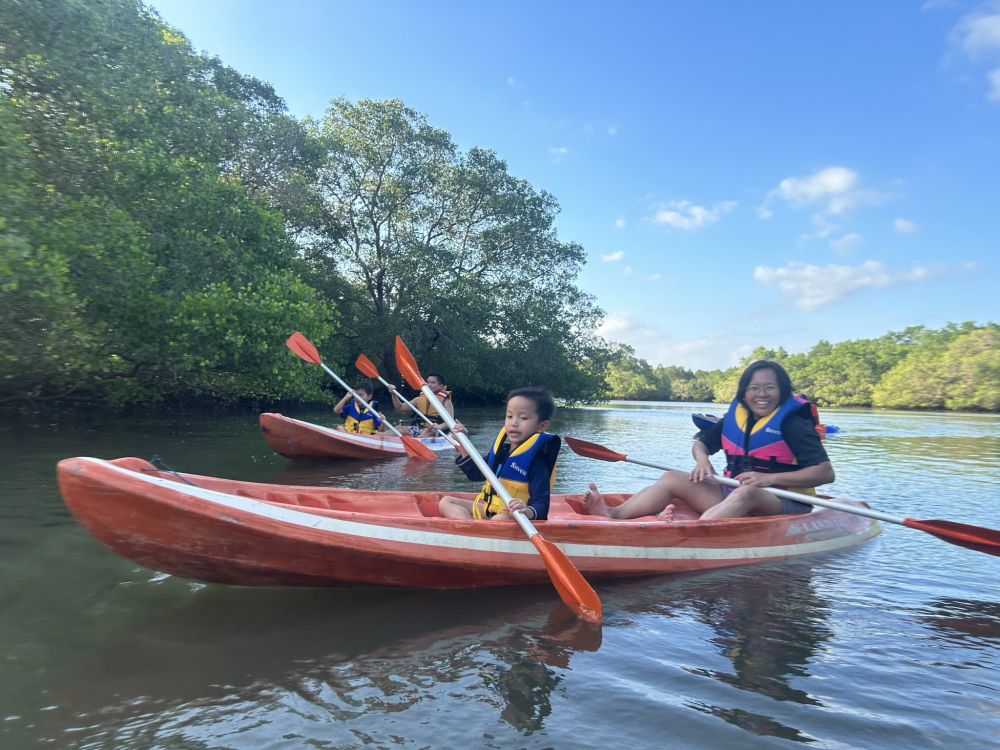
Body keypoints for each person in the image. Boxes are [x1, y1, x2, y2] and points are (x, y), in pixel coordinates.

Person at [582, 360, 833, 521]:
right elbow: (701, 441)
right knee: (671, 477)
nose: (761, 394)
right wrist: (702, 460)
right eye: (754, 388)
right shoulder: (737, 417)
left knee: (747, 492)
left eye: (769, 387)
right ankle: (613, 514)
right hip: (732, 493)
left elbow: (825, 473)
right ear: (744, 392)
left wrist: (770, 479)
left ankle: (697, 532)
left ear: (782, 391)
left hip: (785, 500)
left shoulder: (794, 423)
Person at [438, 387, 561, 521]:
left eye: (523, 418)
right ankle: (471, 528)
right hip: (489, 510)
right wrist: (464, 445)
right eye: (509, 416)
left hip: (514, 516)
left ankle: (478, 531)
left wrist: (528, 511)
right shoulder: (501, 453)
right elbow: (475, 474)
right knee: (446, 501)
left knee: (500, 518)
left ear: (542, 426)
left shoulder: (537, 461)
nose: (514, 423)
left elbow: (541, 504)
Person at [388, 371, 455, 437]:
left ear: (440, 386)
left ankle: (416, 442)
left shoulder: (446, 401)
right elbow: (400, 407)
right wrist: (393, 394)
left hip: (437, 430)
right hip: (420, 428)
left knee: (426, 432)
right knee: (399, 429)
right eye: (427, 382)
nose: (429, 385)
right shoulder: (419, 399)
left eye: (433, 383)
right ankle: (379, 438)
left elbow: (450, 422)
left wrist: (440, 426)